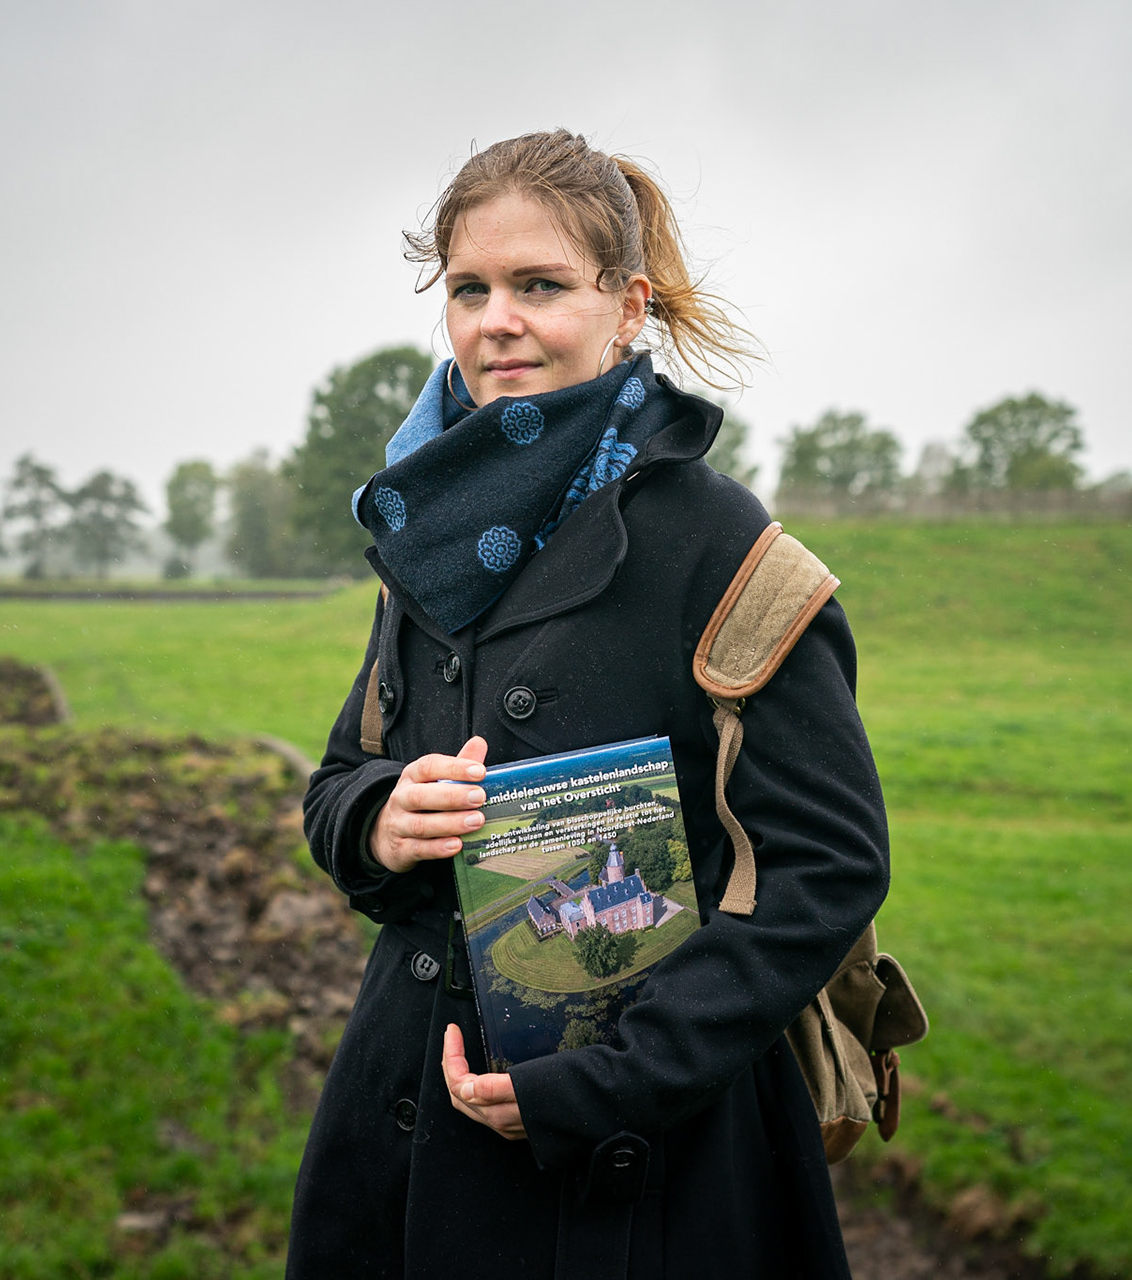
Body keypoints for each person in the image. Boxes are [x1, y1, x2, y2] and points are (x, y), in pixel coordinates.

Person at [289, 129, 889, 1280]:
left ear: (628, 306)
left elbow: (828, 866)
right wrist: (380, 817)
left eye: (540, 285)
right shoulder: (424, 522)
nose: (496, 320)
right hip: (401, 1126)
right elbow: (336, 783)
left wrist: (605, 1082)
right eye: (470, 288)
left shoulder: (720, 544)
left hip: (648, 1158)